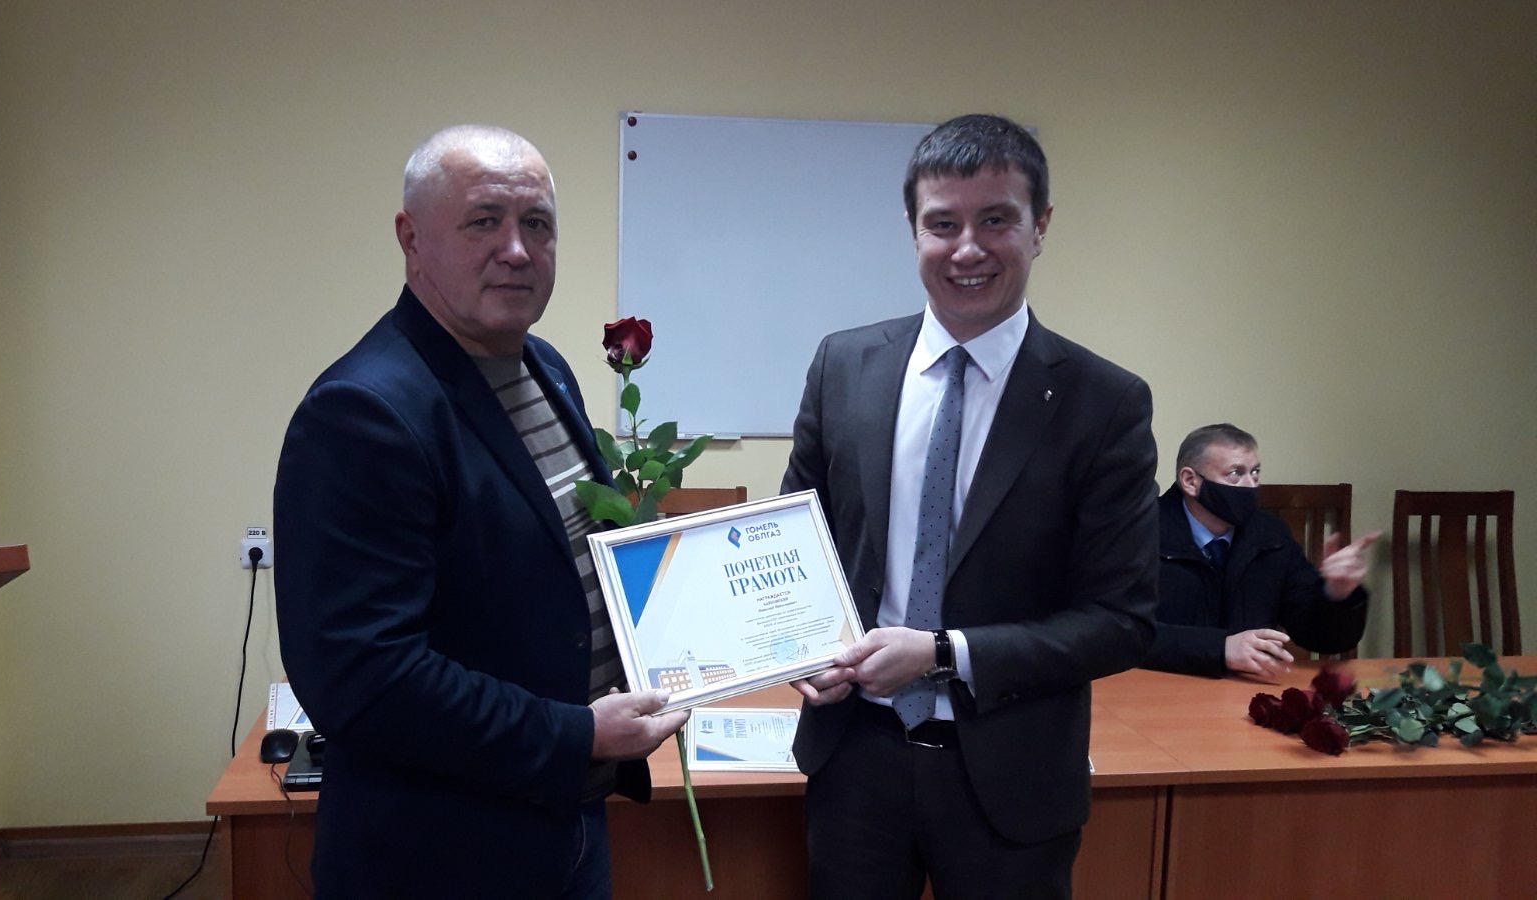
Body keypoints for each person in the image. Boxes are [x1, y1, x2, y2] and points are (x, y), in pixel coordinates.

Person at [273, 125, 686, 899]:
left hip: (563, 826)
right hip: (439, 856)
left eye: (537, 224)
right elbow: (362, 676)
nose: (518, 250)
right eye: (484, 221)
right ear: (411, 239)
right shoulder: (363, 411)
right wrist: (577, 734)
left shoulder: (544, 366)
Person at [781, 114, 1159, 900]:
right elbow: (798, 547)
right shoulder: (844, 367)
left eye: (996, 220)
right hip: (855, 762)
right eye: (943, 223)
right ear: (913, 230)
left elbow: (1121, 620)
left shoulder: (1104, 404)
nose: (967, 249)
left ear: (1040, 226)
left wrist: (943, 654)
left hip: (1012, 778)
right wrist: (801, 647)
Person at [1143, 423, 1378, 678]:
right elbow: (1124, 632)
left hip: (1245, 689)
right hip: (1157, 685)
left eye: (1255, 473)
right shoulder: (1140, 535)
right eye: (1235, 473)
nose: (1250, 485)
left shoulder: (1269, 535)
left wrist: (1337, 595)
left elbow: (1320, 637)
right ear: (1190, 481)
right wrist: (1219, 648)